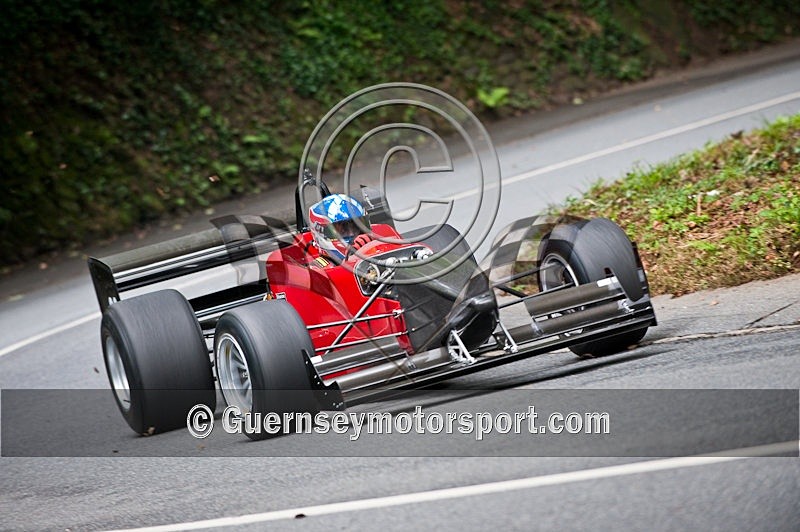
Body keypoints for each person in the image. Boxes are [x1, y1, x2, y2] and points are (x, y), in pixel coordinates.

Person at [308, 194, 373, 260]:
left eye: (356, 227)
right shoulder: (316, 266)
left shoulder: (375, 241)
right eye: (343, 230)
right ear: (320, 232)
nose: (352, 234)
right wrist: (349, 261)